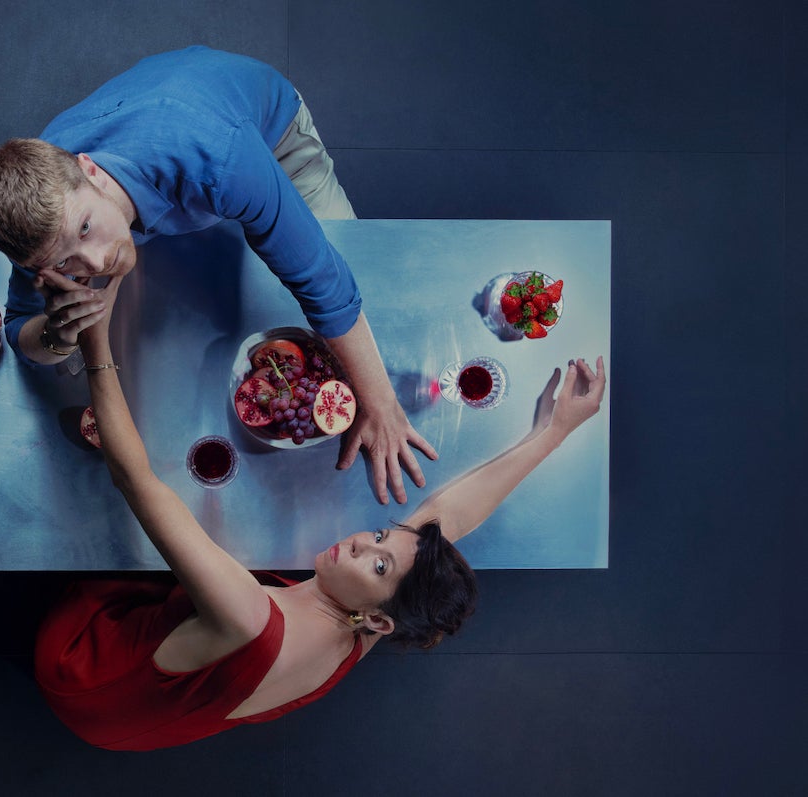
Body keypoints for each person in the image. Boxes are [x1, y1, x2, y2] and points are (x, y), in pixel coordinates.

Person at [33, 272, 607, 751]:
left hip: (84, 669)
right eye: (382, 535)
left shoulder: (250, 618)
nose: (362, 543)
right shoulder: (375, 620)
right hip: (134, 726)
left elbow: (135, 481)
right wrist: (552, 433)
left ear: (379, 620)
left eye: (376, 565)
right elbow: (447, 517)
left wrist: (96, 342)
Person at [0, 45, 434, 506]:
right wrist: (57, 334)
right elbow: (18, 331)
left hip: (266, 139)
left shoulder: (221, 157)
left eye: (87, 229)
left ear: (88, 169)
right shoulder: (40, 226)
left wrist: (381, 403)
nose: (93, 266)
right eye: (62, 262)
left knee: (356, 258)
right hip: (171, 133)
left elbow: (323, 281)